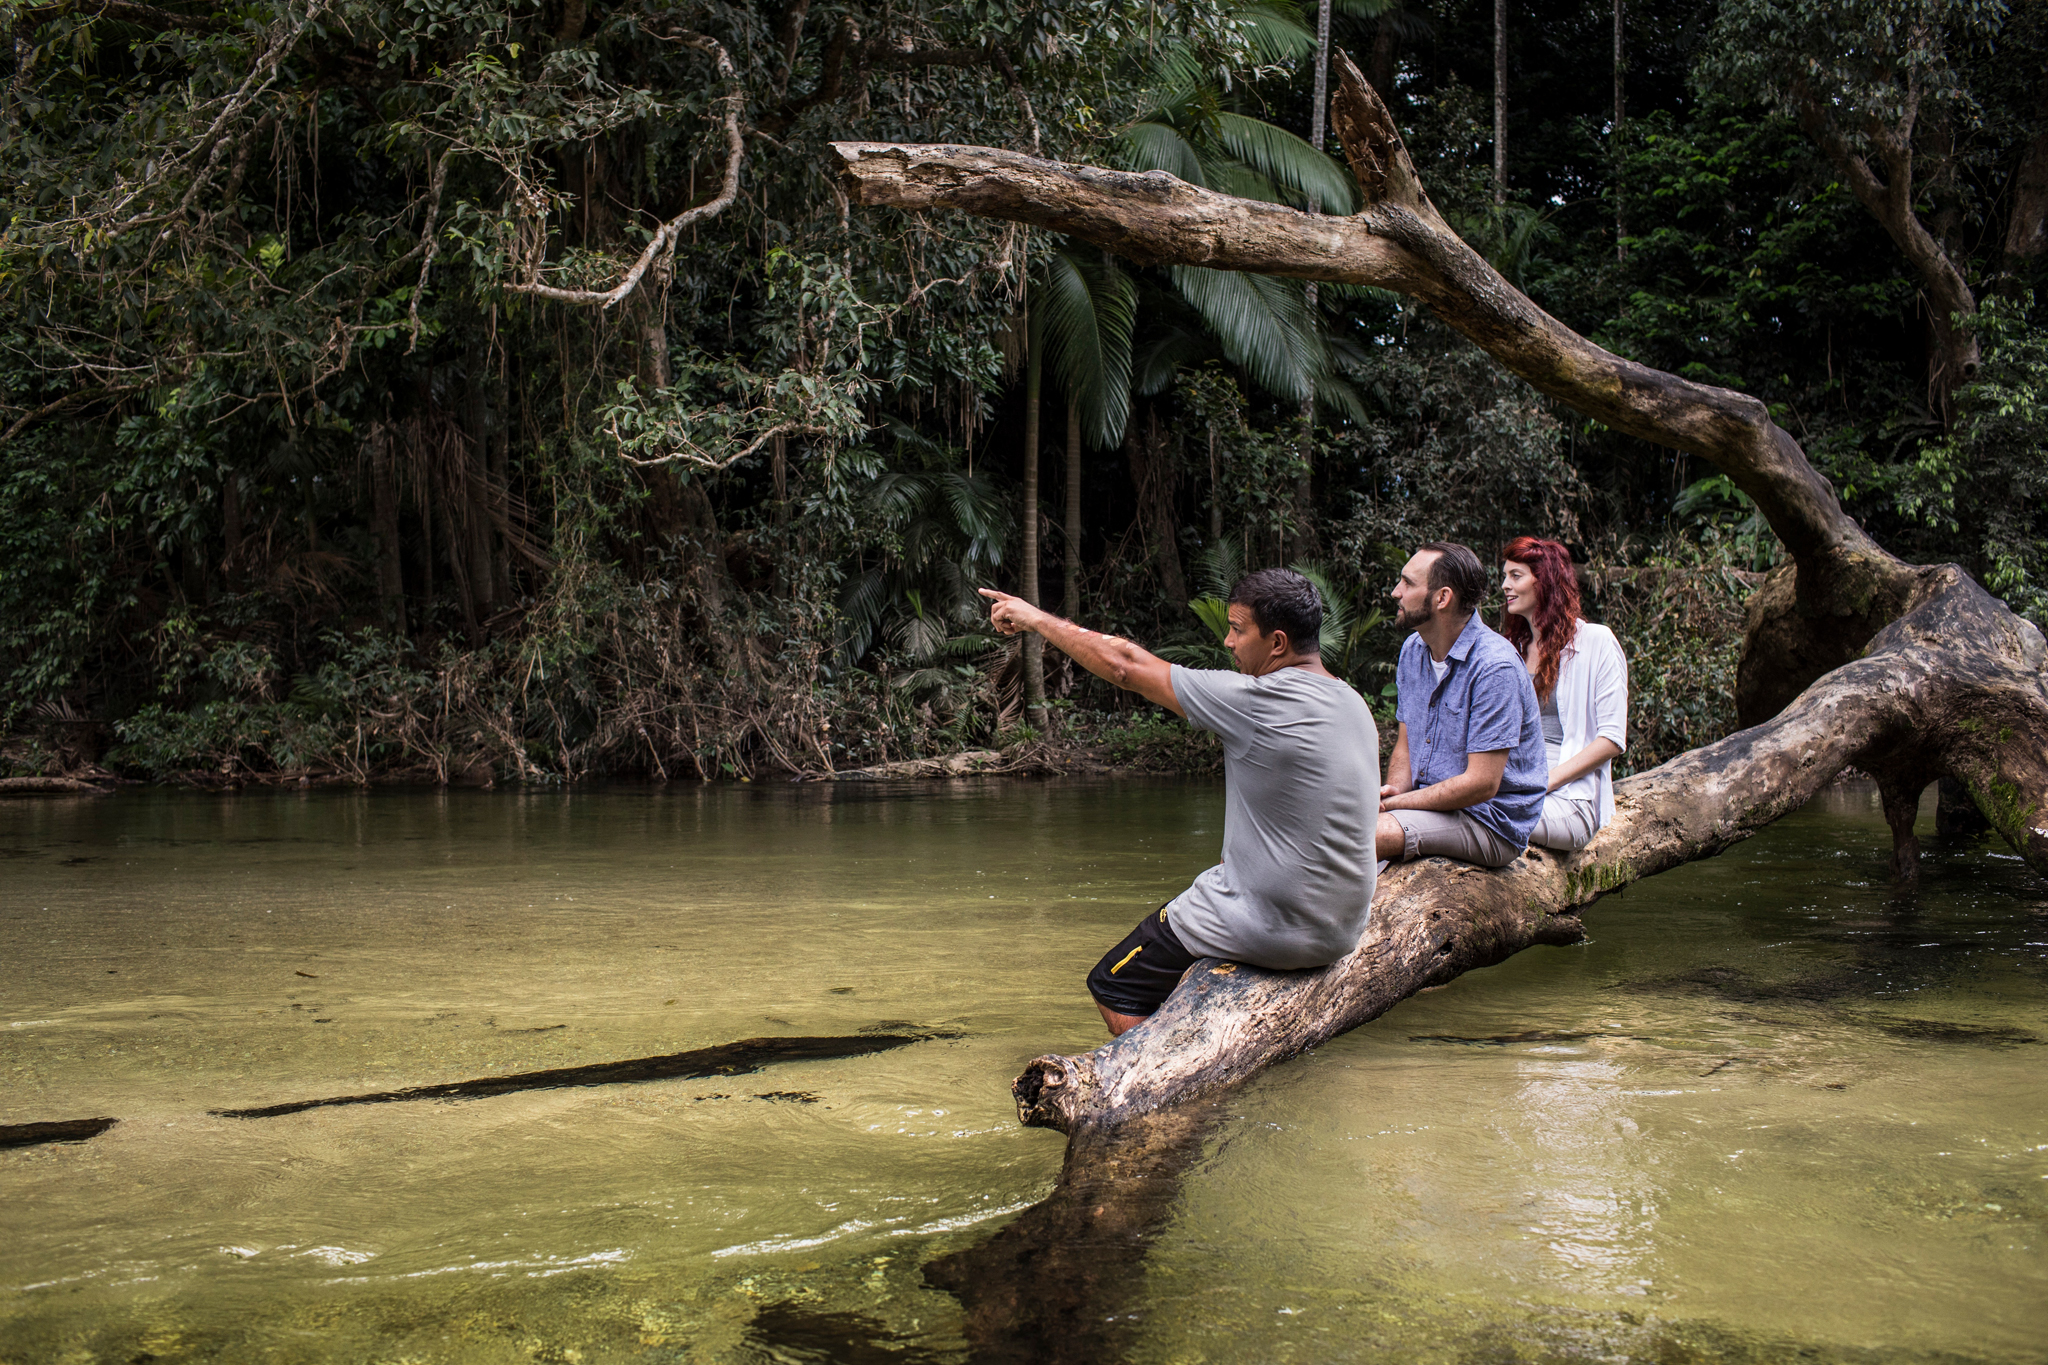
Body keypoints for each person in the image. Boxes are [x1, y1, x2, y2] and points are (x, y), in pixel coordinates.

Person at [980, 569, 1380, 1037]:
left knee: (1113, 983)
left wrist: (1033, 618)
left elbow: (1125, 665)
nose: (1228, 642)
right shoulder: (1352, 702)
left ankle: (1168, 1092)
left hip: (1280, 927)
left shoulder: (1259, 700)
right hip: (1343, 928)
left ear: (1276, 643)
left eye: (1237, 629)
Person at [1375, 541, 1547, 868]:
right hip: (1431, 807)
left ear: (1442, 598)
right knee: (1339, 827)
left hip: (1491, 821)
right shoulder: (1414, 649)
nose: (1396, 592)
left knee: (1365, 835)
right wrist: (1393, 792)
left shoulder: (1495, 667)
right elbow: (1406, 744)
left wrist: (1401, 805)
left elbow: (1482, 783)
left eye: (1408, 583)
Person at [1499, 536, 1629, 850]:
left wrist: (1542, 784)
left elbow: (1612, 739)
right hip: (1509, 784)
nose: (1505, 585)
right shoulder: (1511, 650)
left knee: (1483, 812)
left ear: (1544, 582)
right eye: (1504, 576)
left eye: (1515, 576)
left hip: (1570, 796)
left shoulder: (1597, 641)